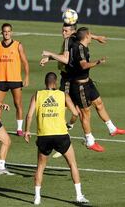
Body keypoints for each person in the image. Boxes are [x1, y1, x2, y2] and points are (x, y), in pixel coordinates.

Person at [44, 27, 125, 152]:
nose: (91, 37)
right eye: (90, 35)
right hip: (80, 86)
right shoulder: (80, 49)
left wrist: (50, 57)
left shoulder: (76, 43)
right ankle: (90, 141)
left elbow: (74, 42)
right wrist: (97, 62)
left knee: (99, 103)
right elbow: (83, 65)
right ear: (86, 36)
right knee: (85, 113)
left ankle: (112, 129)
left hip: (87, 82)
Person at [24, 72, 88, 205]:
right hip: (61, 135)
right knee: (72, 164)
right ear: (56, 82)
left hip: (44, 135)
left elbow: (29, 115)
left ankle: (37, 197)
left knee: (40, 167)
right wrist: (70, 124)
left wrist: (27, 131)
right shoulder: (62, 95)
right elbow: (75, 113)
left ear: (45, 82)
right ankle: (79, 195)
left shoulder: (37, 94)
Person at [0, 23, 30, 136]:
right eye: (5, 31)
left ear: (12, 32)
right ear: (2, 33)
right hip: (1, 80)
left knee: (18, 104)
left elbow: (25, 62)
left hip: (15, 80)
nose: (7, 33)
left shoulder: (18, 45)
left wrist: (27, 76)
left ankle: (19, 129)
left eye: (8, 31)